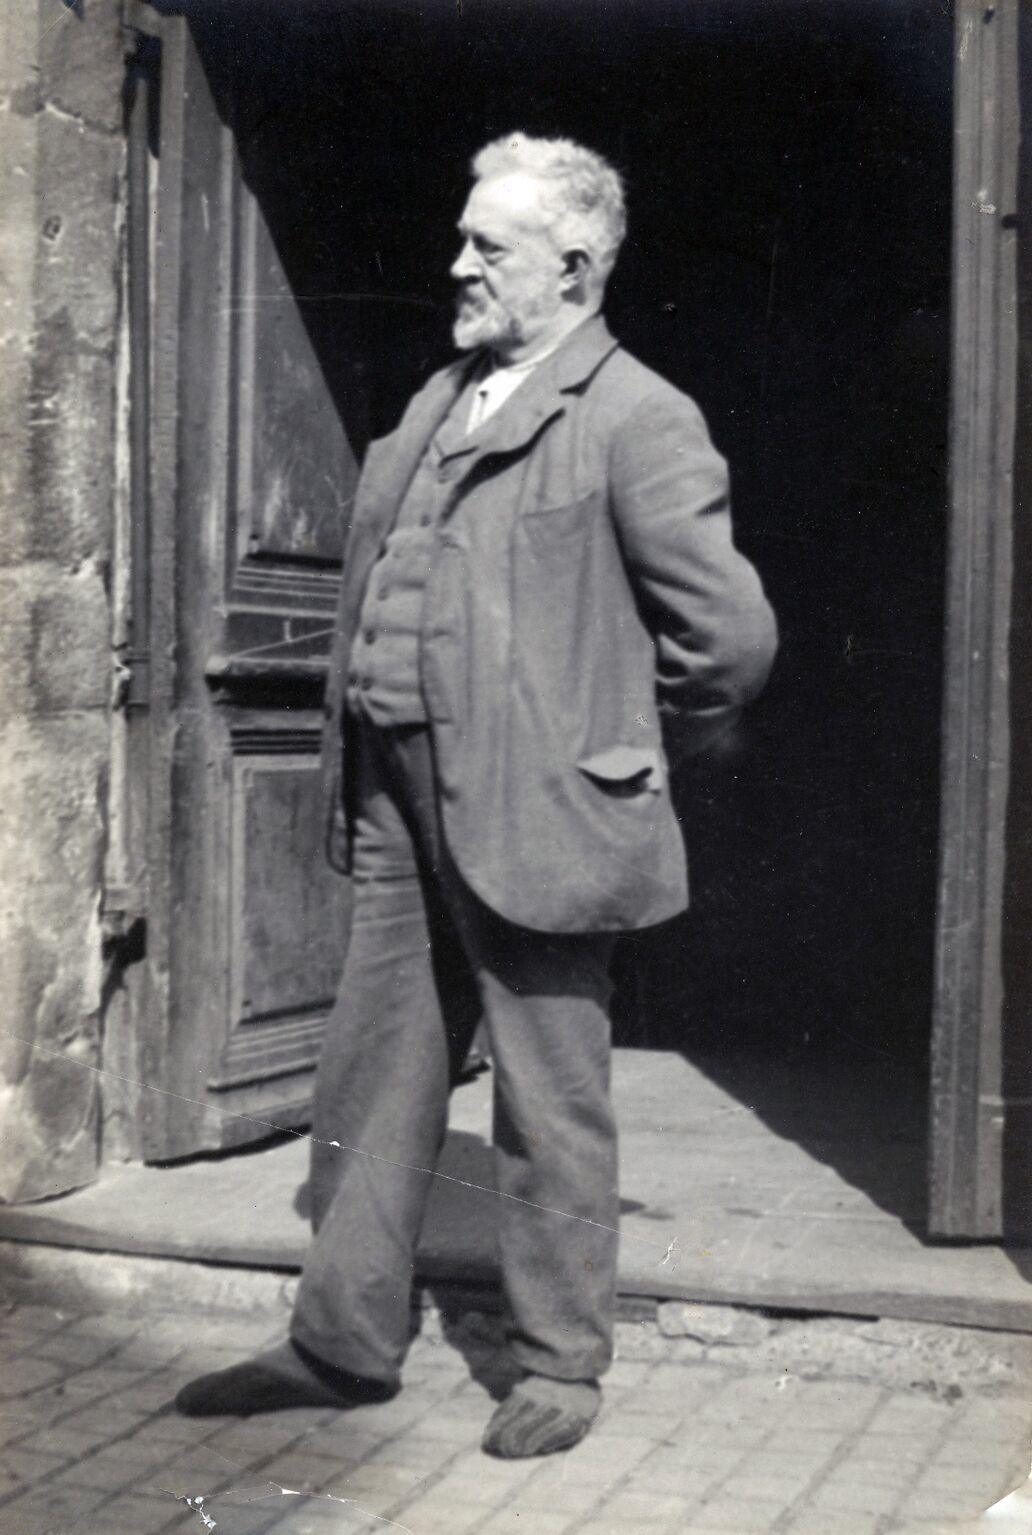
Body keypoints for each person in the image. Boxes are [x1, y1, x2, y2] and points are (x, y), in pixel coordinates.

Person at [177, 134, 777, 1457]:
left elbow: (728, 641)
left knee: (549, 1096)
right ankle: (340, 1343)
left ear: (573, 268)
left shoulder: (637, 416)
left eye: (486, 246)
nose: (456, 263)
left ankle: (558, 1366)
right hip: (400, 798)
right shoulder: (439, 402)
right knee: (372, 1070)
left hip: (541, 809)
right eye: (462, 238)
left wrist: (606, 750)